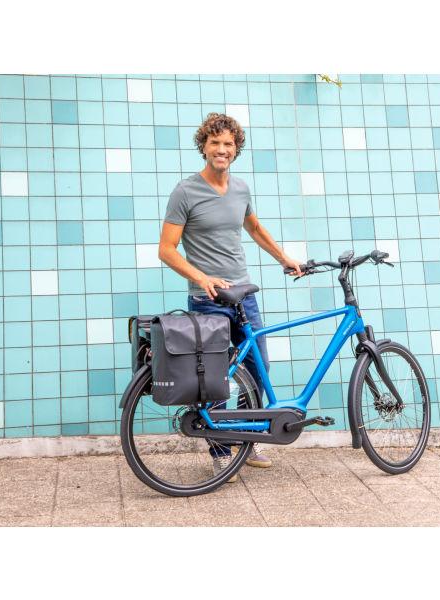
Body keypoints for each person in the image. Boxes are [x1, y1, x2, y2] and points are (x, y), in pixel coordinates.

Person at [158, 113, 303, 481]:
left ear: (236, 149)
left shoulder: (240, 189)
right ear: (204, 147)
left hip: (242, 295)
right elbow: (167, 249)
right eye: (215, 143)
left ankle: (246, 441)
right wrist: (201, 277)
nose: (221, 149)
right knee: (216, 378)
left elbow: (254, 227)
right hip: (207, 299)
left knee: (258, 369)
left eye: (228, 144)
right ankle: (220, 452)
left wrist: (284, 258)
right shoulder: (185, 191)